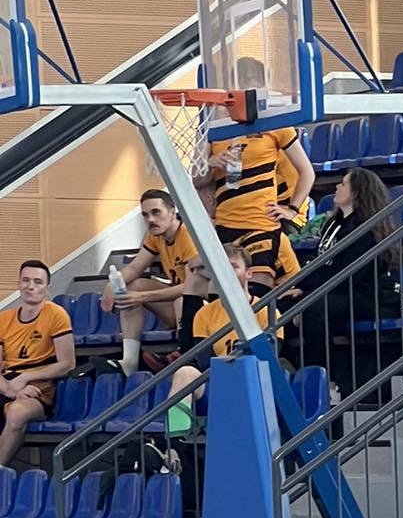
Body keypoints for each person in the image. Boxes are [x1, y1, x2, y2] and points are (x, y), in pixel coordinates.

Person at [292, 167, 402, 393]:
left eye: (343, 184)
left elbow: (345, 274)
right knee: (280, 307)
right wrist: (299, 288)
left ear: (356, 192)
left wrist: (307, 292)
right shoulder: (333, 223)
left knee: (314, 308)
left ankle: (326, 384)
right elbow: (320, 263)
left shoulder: (367, 229)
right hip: (331, 290)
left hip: (362, 295)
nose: (337, 187)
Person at [206, 108, 314, 297]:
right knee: (216, 294)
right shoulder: (214, 131)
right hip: (225, 224)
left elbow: (307, 171)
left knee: (254, 295)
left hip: (260, 223)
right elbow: (198, 182)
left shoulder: (274, 124)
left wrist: (292, 209)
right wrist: (209, 163)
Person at [101, 189, 199, 375]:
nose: (150, 219)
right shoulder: (155, 236)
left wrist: (143, 297)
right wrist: (112, 284)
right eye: (145, 215)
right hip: (176, 306)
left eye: (156, 212)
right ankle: (129, 361)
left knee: (182, 298)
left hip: (202, 305)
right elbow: (134, 268)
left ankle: (185, 353)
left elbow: (193, 287)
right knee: (130, 288)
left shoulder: (188, 236)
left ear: (172, 212)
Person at [169, 243, 279, 405]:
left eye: (234, 266)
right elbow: (204, 361)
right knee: (184, 373)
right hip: (218, 382)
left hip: (255, 382)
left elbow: (269, 357)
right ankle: (176, 423)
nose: (227, 272)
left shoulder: (267, 311)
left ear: (248, 273)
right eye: (222, 267)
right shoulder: (203, 314)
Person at [0, 260, 75, 466]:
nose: (30, 286)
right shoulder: (3, 319)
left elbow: (67, 364)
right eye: (25, 280)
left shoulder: (56, 314)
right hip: (7, 385)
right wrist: (11, 390)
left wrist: (26, 377)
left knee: (17, 413)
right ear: (18, 284)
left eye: (38, 282)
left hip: (38, 390)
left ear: (47, 288)